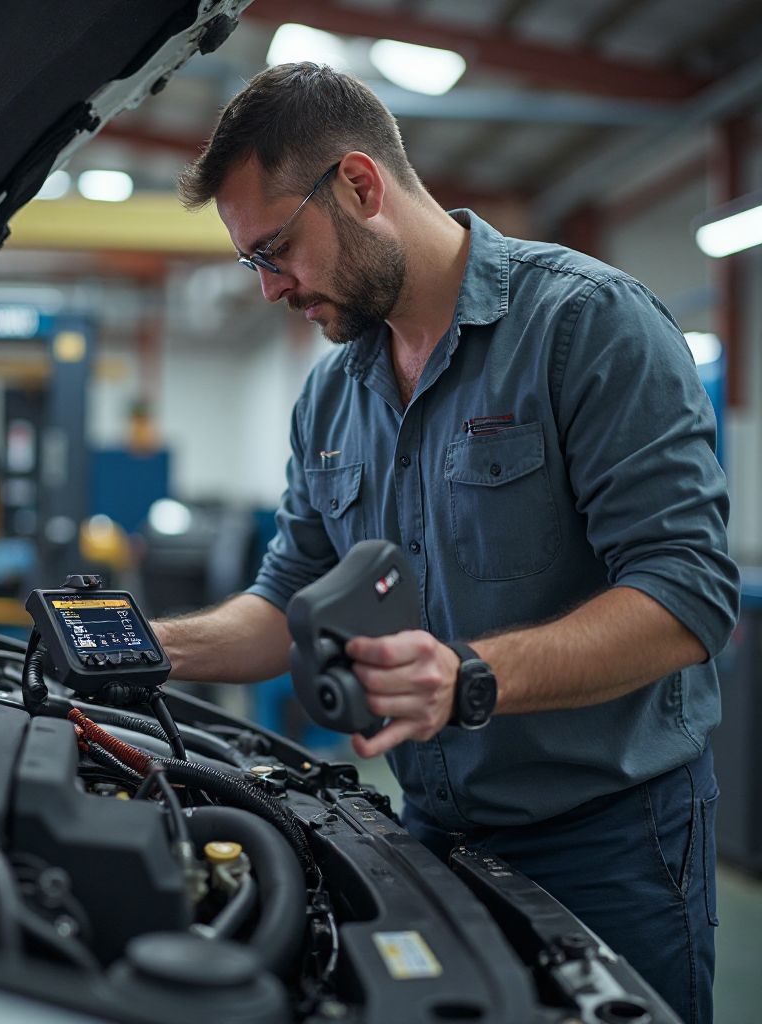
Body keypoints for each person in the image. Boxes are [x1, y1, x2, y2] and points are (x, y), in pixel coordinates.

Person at [154, 62, 739, 1024]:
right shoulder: (333, 394)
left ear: (360, 185)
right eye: (252, 263)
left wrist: (463, 678)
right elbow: (285, 600)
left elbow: (688, 597)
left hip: (611, 843)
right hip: (433, 834)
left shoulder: (584, 324)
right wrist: (148, 647)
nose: (269, 290)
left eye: (276, 251)